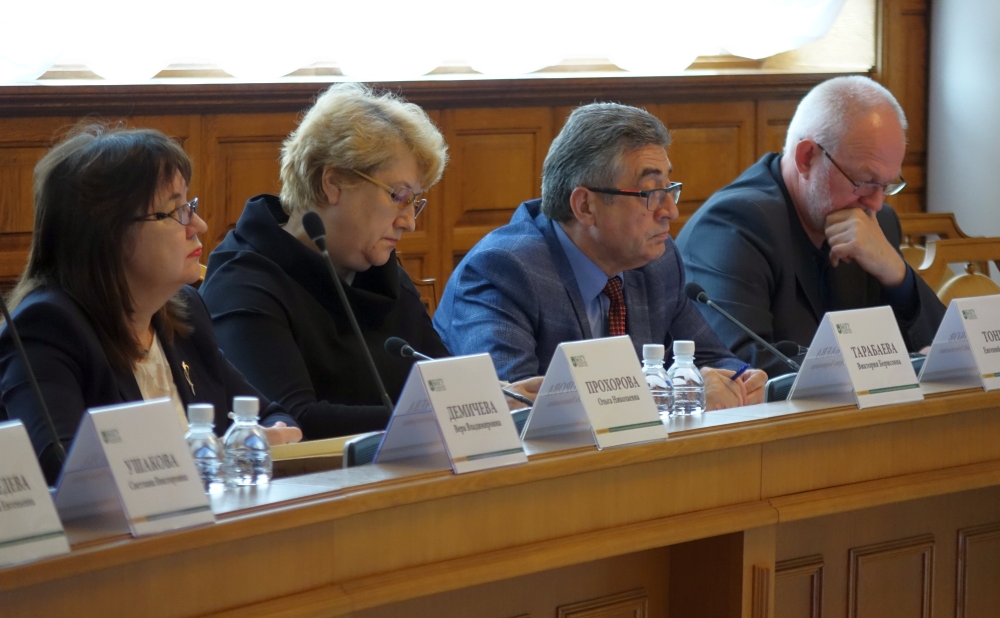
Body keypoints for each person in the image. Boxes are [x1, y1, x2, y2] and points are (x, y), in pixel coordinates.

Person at [200, 84, 540, 441]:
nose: (409, 222)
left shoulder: (380, 270)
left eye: (415, 202)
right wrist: (461, 410)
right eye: (398, 196)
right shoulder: (242, 283)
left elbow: (441, 380)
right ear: (332, 183)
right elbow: (294, 424)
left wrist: (499, 396)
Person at [0, 126, 301, 484]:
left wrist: (265, 437)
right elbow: (61, 466)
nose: (200, 225)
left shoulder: (184, 312)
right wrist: (218, 453)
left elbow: (273, 417)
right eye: (176, 211)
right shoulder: (46, 328)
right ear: (109, 233)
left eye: (190, 206)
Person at [433, 102, 767, 410]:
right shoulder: (503, 271)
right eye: (651, 193)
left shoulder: (658, 262)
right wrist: (685, 393)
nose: (671, 211)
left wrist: (742, 384)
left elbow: (716, 363)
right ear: (585, 206)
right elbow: (518, 408)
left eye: (669, 189)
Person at [675, 76, 947, 378]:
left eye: (887, 184)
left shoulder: (875, 224)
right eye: (864, 182)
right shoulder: (732, 225)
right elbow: (739, 366)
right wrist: (894, 366)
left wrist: (897, 274)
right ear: (806, 158)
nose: (876, 202)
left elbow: (947, 354)